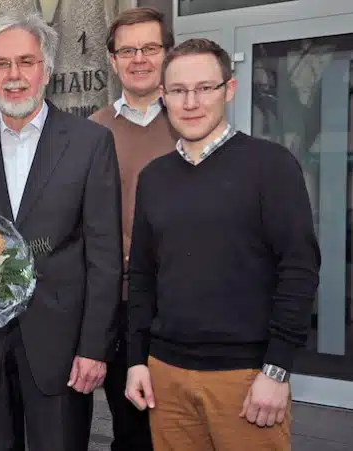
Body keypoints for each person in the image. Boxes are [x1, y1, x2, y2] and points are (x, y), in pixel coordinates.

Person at [125, 37, 321, 451]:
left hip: (247, 380)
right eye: (178, 90)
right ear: (163, 97)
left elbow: (299, 270)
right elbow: (142, 276)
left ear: (229, 90)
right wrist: (136, 361)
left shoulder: (271, 166)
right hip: (166, 377)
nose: (191, 101)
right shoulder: (154, 177)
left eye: (205, 88)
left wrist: (277, 370)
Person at [0, 12, 123, 451]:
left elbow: (104, 256)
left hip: (61, 350)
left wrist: (94, 347)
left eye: (26, 61)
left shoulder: (89, 142)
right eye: (1, 64)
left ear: (47, 69)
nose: (14, 75)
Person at [89, 7, 177, 451]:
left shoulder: (191, 121)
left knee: (181, 430)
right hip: (119, 307)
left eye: (150, 47)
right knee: (130, 430)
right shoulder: (93, 132)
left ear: (167, 52)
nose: (139, 58)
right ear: (112, 59)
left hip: (181, 306)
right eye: (127, 50)